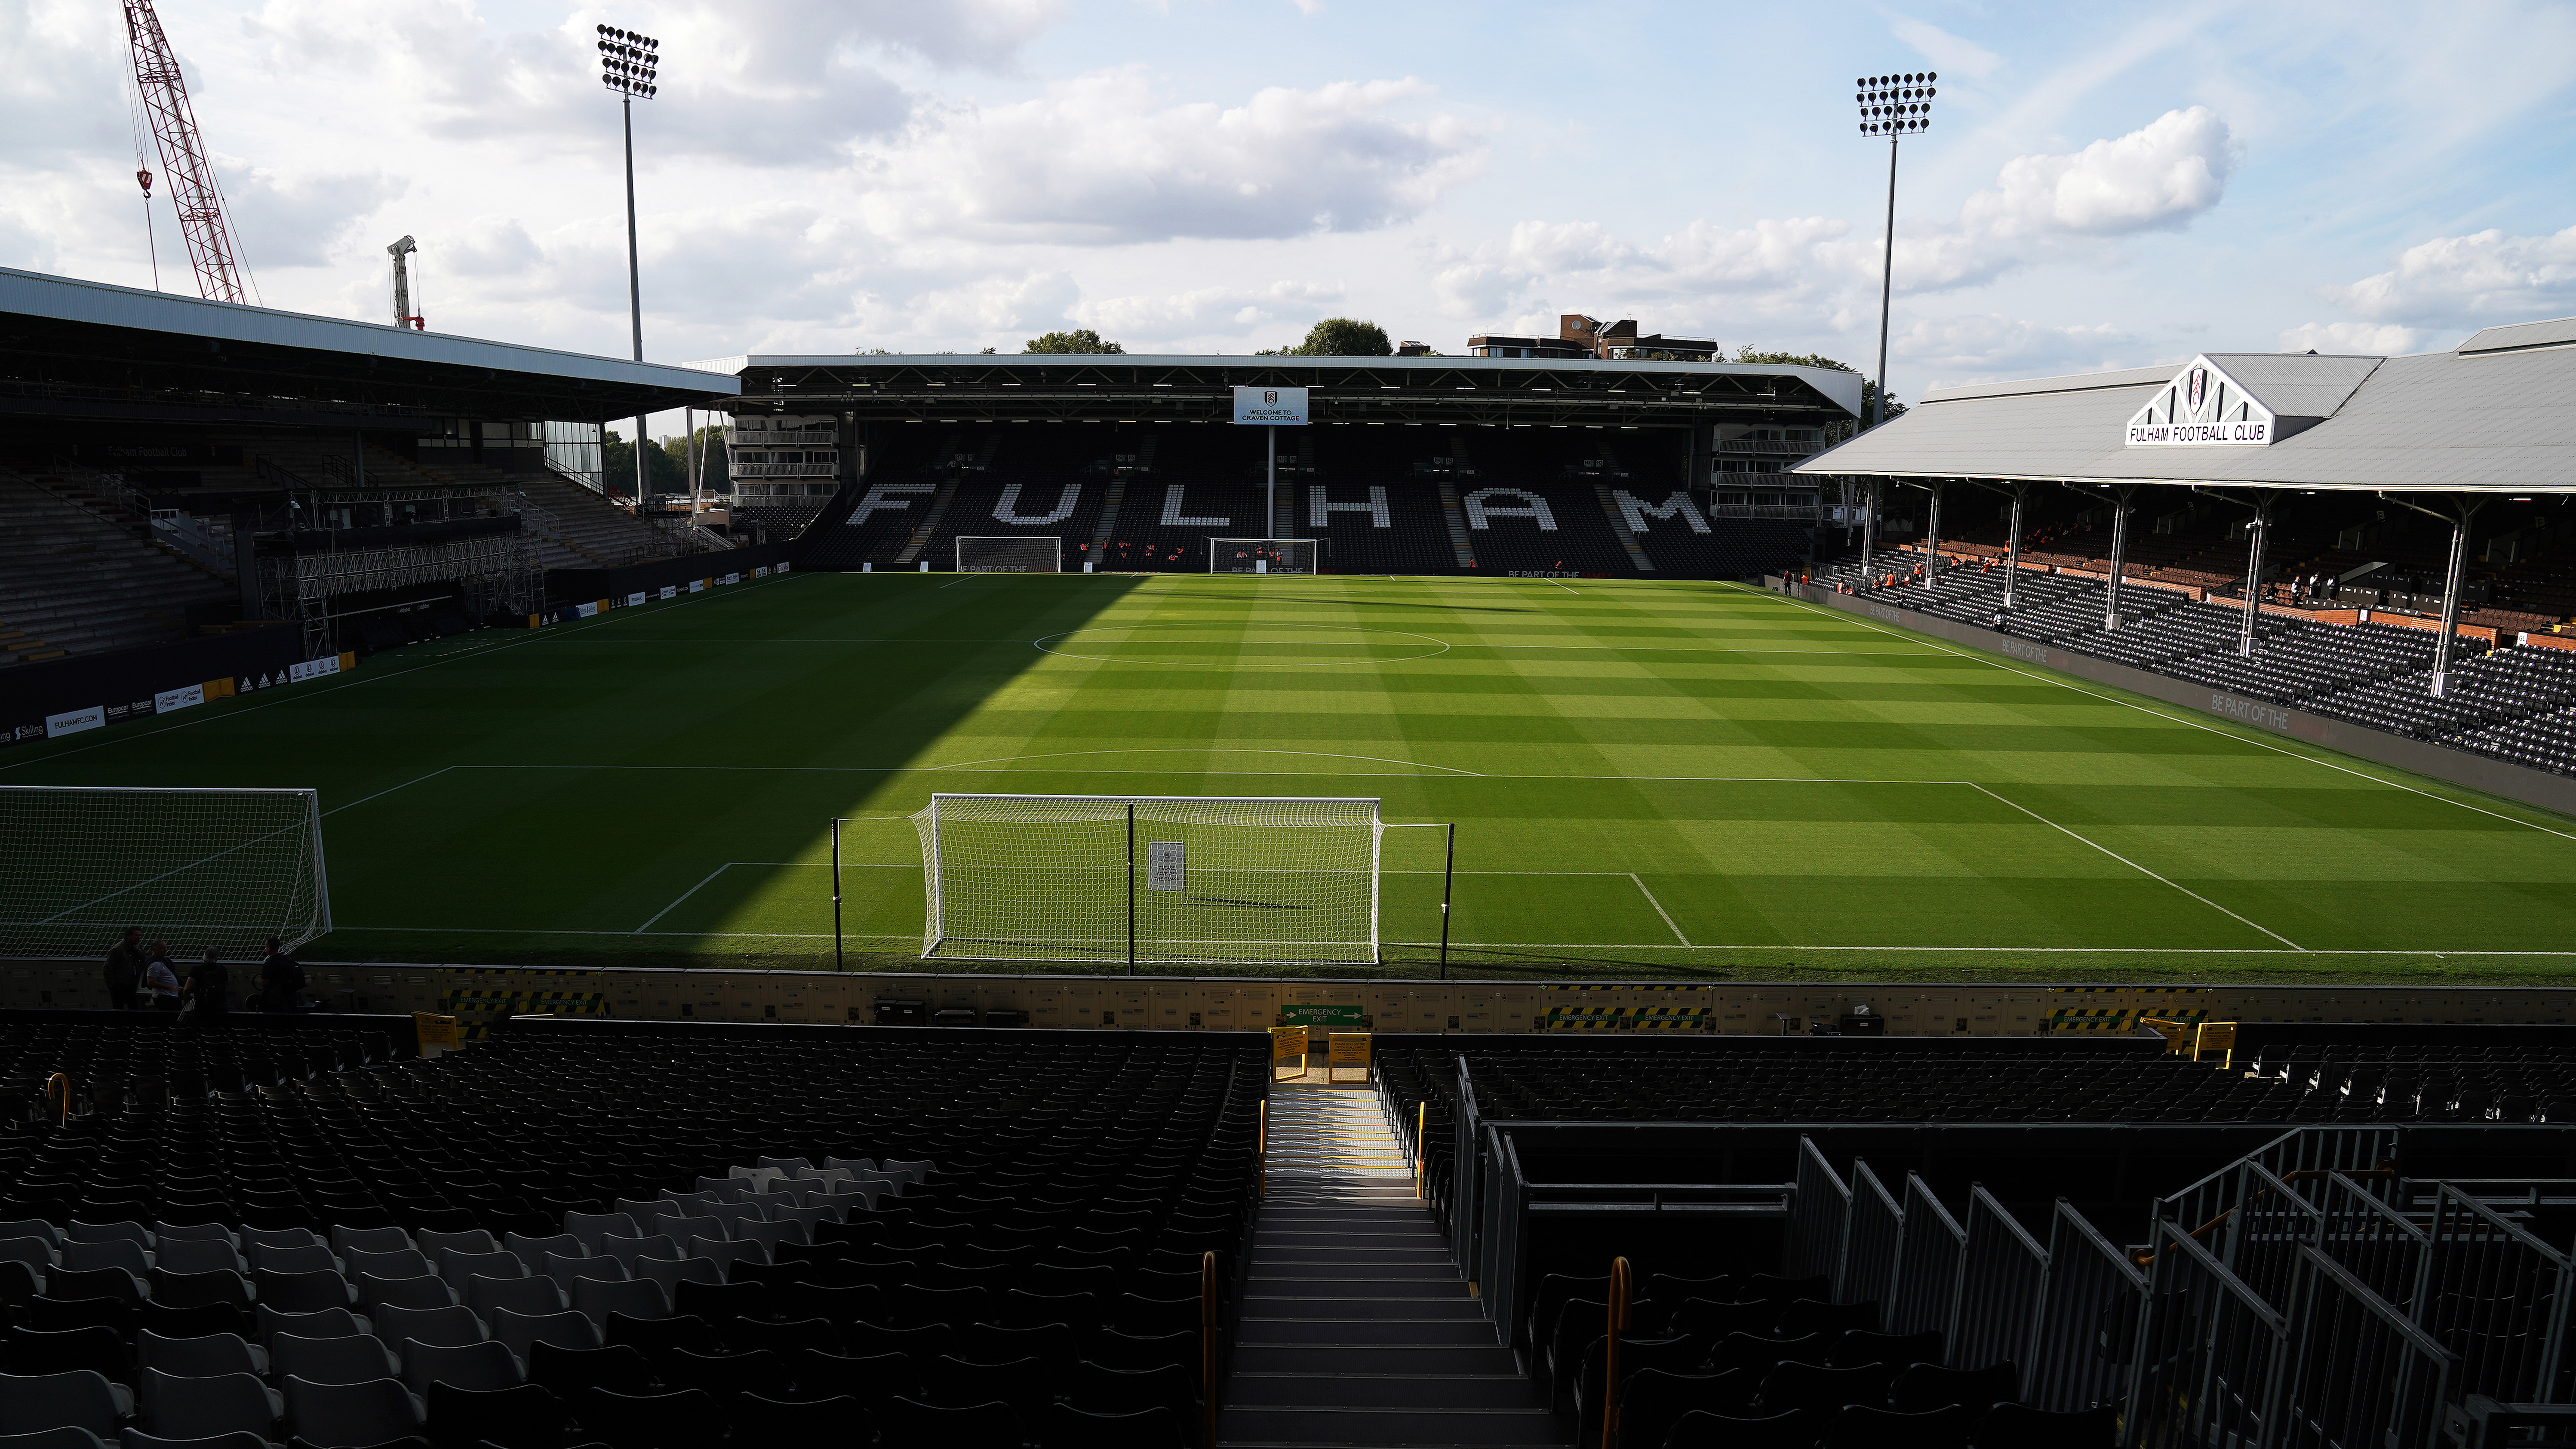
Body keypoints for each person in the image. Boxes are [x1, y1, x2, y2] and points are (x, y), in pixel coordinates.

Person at [255, 937, 307, 1012]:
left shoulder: (269, 964)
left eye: (266, 947)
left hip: (277, 999)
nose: (265, 949)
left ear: (269, 948)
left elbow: (264, 982)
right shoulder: (287, 959)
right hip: (291, 996)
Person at [105, 928, 145, 1009]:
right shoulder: (119, 949)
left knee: (134, 1006)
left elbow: (145, 959)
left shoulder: (137, 946)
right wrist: (113, 985)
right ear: (128, 936)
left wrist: (137, 950)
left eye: (140, 935)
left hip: (132, 984)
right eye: (136, 935)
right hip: (120, 985)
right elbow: (107, 968)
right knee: (119, 1007)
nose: (139, 938)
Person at [185, 949, 229, 1017]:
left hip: (201, 1006)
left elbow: (187, 989)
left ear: (204, 956)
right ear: (217, 958)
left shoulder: (196, 969)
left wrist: (185, 1000)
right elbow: (224, 987)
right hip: (220, 1006)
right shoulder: (223, 969)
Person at [142, 942, 183, 1011]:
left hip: (171, 996)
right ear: (154, 950)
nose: (165, 950)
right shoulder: (155, 965)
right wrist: (169, 987)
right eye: (162, 949)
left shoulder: (163, 962)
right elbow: (151, 982)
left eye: (166, 948)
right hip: (164, 997)